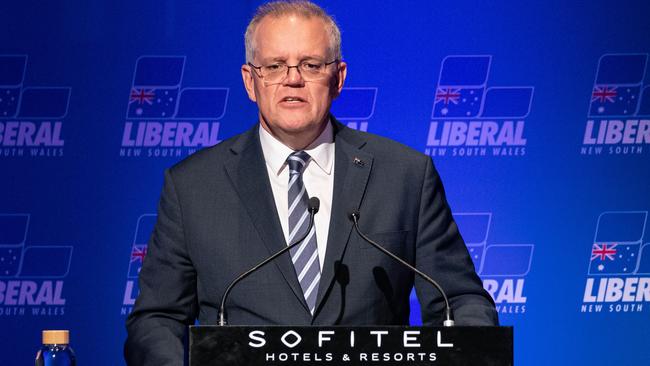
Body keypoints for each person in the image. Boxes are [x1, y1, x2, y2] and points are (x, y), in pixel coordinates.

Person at [125, 1, 498, 365]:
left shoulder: (404, 175)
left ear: (338, 78)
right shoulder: (193, 186)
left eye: (310, 64)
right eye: (274, 65)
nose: (292, 79)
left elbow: (460, 301)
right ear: (250, 81)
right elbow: (156, 320)